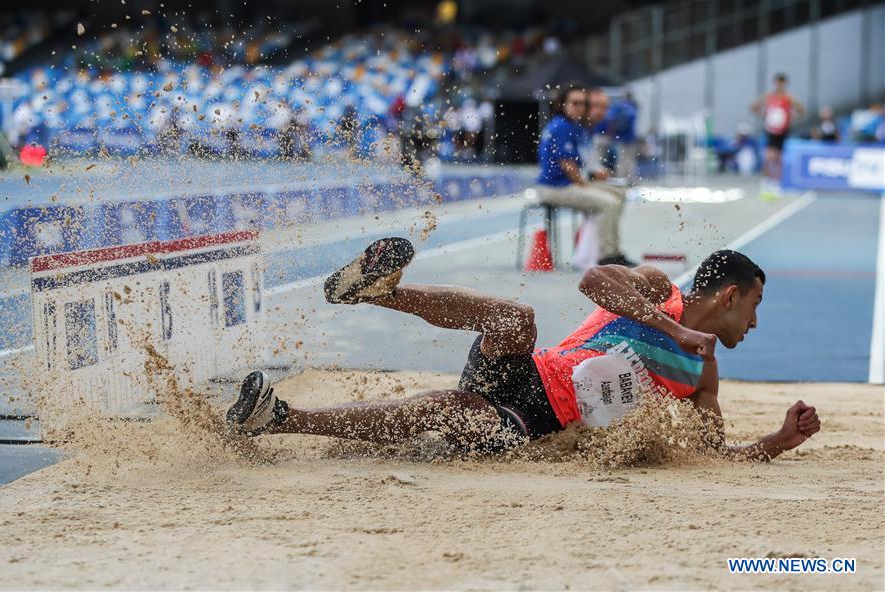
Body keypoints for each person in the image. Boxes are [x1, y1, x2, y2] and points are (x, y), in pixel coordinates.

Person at [226, 237, 821, 460]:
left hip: (533, 421)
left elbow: (712, 452)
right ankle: (378, 293)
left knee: (453, 409)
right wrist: (673, 330)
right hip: (527, 372)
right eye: (756, 307)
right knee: (517, 316)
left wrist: (777, 441)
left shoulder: (704, 376)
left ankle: (278, 418)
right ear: (730, 295)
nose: (757, 322)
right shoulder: (657, 288)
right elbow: (592, 281)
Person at [535, 83, 634, 266]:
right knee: (608, 203)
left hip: (567, 184)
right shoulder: (562, 127)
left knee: (620, 191)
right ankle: (606, 256)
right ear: (563, 104)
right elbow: (568, 166)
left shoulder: (573, 126)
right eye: (574, 103)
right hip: (554, 188)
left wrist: (594, 178)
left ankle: (613, 249)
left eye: (582, 103)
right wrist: (587, 185)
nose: (579, 107)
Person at [751, 73, 805, 181]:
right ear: (775, 83)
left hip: (783, 130)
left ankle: (777, 180)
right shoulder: (768, 97)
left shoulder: (788, 98)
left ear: (785, 84)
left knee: (779, 156)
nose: (779, 85)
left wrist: (790, 116)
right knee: (770, 155)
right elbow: (753, 107)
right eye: (778, 83)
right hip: (771, 130)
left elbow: (801, 110)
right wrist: (764, 115)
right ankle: (766, 178)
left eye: (782, 83)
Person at [607, 90, 639, 185]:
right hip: (630, 137)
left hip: (621, 137)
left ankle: (621, 178)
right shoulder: (633, 106)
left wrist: (612, 134)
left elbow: (611, 120)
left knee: (621, 158)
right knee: (630, 159)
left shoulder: (619, 106)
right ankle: (630, 179)